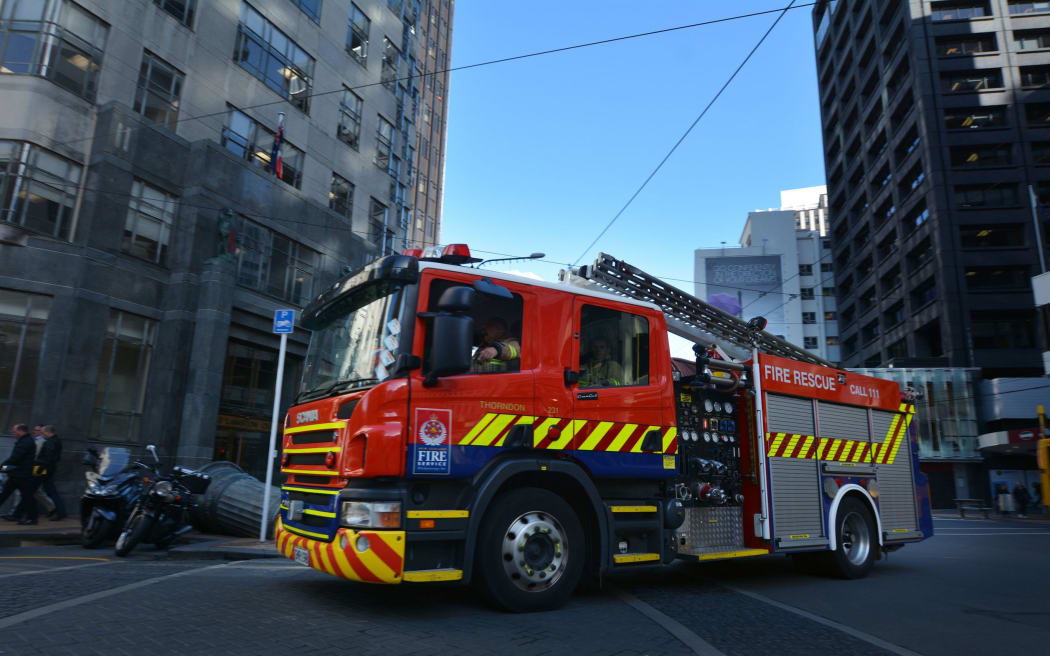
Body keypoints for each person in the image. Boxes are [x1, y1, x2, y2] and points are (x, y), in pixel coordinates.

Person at [0, 424, 41, 525]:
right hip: (18, 474)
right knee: (4, 494)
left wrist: (2, 467)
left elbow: (15, 458)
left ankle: (32, 519)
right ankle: (28, 517)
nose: (13, 434)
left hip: (22, 475)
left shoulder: (25, 442)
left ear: (20, 431)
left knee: (27, 497)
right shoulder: (26, 441)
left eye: (14, 432)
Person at [36, 425, 66, 520]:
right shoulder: (56, 441)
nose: (42, 435)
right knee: (49, 491)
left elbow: (48, 458)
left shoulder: (50, 442)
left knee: (50, 491)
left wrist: (40, 469)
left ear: (49, 432)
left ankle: (59, 512)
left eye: (43, 433)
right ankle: (58, 511)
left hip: (44, 469)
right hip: (48, 469)